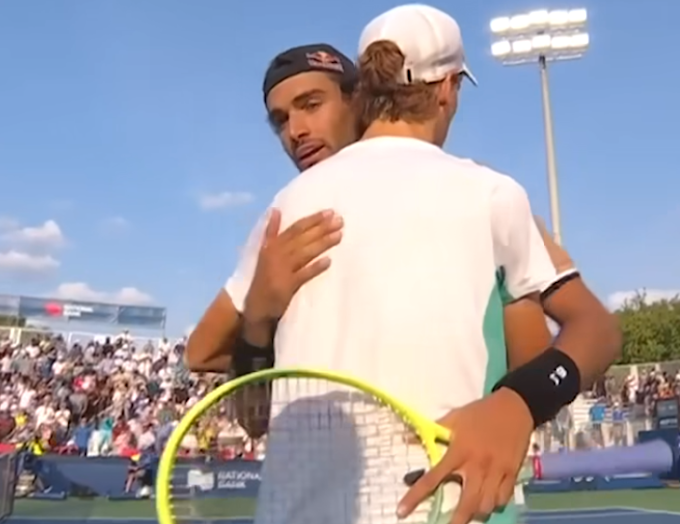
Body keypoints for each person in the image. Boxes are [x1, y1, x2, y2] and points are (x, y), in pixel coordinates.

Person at [195, 5, 620, 524]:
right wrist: (520, 401)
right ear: (447, 89)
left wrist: (257, 325)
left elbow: (254, 410)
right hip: (449, 505)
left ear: (363, 96)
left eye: (309, 105)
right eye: (283, 119)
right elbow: (593, 332)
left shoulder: (285, 210)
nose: (296, 131)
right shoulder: (489, 194)